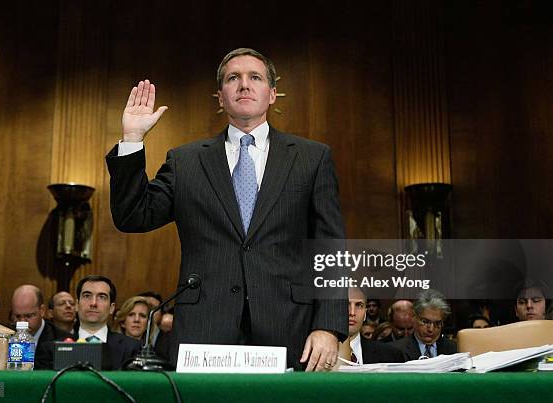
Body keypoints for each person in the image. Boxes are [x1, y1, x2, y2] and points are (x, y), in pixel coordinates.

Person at [106, 47, 347, 371]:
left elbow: (330, 248)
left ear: (272, 93)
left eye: (255, 77)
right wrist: (132, 138)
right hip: (204, 330)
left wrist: (328, 326)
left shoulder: (311, 158)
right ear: (220, 97)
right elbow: (133, 216)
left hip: (290, 328)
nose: (244, 85)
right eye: (233, 78)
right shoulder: (186, 161)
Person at [74, 275, 140, 370]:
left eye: (101, 297)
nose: (93, 303)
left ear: (111, 308)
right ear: (77, 305)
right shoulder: (53, 348)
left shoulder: (132, 348)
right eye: (87, 296)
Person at [334, 289, 403, 369]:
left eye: (359, 305)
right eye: (345, 305)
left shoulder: (390, 355)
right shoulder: (318, 352)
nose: (352, 312)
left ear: (365, 314)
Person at [10, 285, 72, 370]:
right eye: (17, 316)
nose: (22, 322)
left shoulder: (62, 339)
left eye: (29, 316)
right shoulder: (7, 336)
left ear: (42, 311)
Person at [392, 290, 457, 361]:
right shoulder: (395, 350)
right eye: (425, 321)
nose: (431, 329)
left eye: (437, 323)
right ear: (414, 317)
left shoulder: (455, 349)